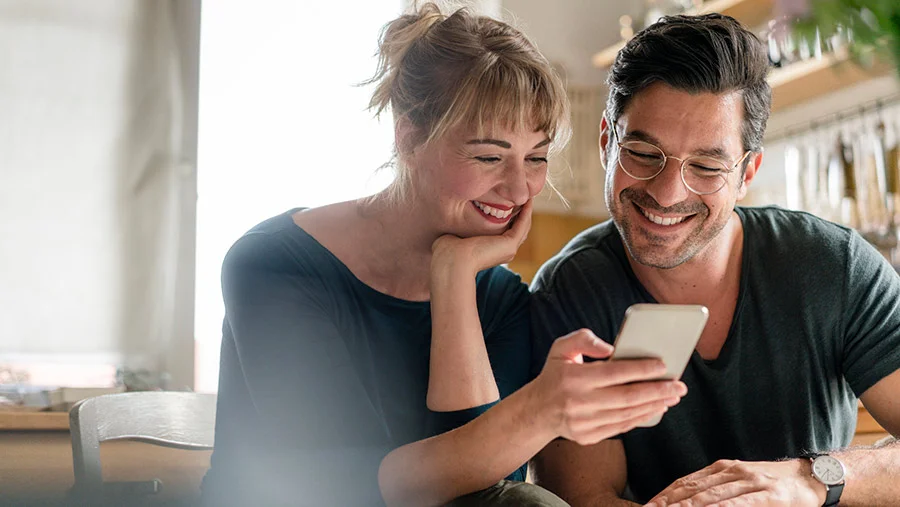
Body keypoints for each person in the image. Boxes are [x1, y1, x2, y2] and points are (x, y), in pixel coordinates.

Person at [201, 4, 687, 506]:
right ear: (409, 138)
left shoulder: (500, 300)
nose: (520, 187)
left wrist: (454, 278)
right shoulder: (271, 267)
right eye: (489, 156)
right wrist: (539, 412)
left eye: (536, 158)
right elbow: (346, 488)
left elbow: (479, 498)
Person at [529, 13, 900, 507]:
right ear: (606, 142)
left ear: (748, 173)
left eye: (706, 167)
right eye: (643, 153)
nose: (666, 193)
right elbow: (586, 498)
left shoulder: (835, 266)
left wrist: (808, 480)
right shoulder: (570, 291)